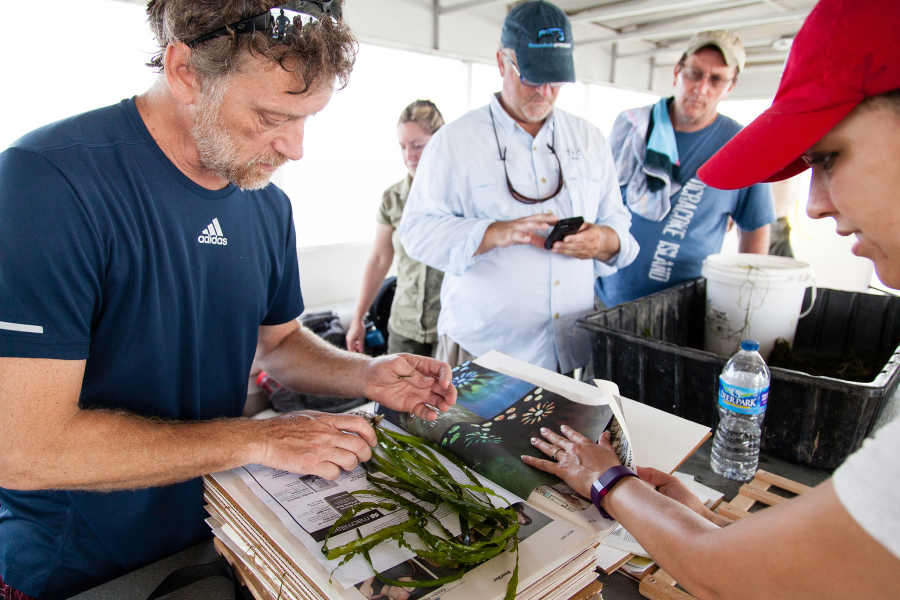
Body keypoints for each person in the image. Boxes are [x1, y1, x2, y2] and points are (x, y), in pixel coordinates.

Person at [0, 2, 456, 598]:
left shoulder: (266, 203)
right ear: (185, 70)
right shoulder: (47, 184)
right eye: (271, 115)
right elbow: (25, 448)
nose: (295, 148)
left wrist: (366, 374)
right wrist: (259, 438)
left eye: (307, 118)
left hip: (215, 532)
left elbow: (281, 342)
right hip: (78, 567)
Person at [523, 0, 900, 597]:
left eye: (828, 157)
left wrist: (611, 483)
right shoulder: (632, 126)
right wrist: (692, 516)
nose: (814, 204)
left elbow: (744, 579)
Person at [398, 0, 638, 373]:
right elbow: (415, 231)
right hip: (485, 349)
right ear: (501, 63)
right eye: (532, 76)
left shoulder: (589, 138)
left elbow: (618, 221)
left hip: (568, 351)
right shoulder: (455, 141)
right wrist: (493, 232)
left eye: (556, 79)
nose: (544, 90)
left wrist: (604, 240)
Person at [596, 30, 776, 308]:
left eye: (716, 79)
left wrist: (745, 304)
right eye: (694, 73)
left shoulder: (744, 146)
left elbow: (755, 228)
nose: (701, 88)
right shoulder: (632, 127)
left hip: (682, 311)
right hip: (606, 298)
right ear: (677, 72)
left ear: (730, 87)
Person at [346, 100, 445, 357]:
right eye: (402, 146)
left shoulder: (461, 195)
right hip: (404, 328)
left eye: (417, 146)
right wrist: (358, 318)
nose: (408, 156)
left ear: (440, 141)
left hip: (449, 328)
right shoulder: (392, 198)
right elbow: (379, 258)